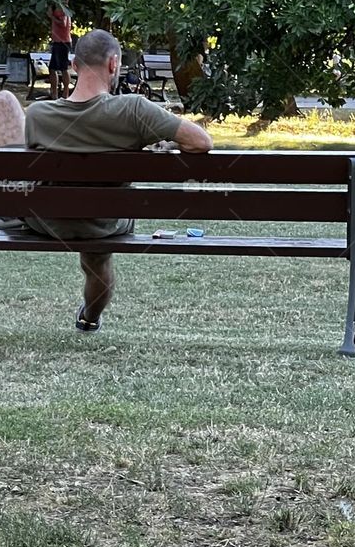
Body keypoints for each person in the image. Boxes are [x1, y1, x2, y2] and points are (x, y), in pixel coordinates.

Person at [23, 28, 213, 333]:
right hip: (104, 221)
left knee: (0, 104)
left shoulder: (37, 115)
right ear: (114, 64)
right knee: (98, 257)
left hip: (48, 221)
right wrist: (161, 145)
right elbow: (201, 142)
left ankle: (2, 212)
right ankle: (89, 318)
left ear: (73, 65)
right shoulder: (132, 110)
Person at [48, 0, 73, 99]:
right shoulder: (57, 8)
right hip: (56, 42)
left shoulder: (64, 10)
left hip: (63, 42)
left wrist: (52, 17)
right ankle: (54, 94)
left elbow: (63, 24)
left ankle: (65, 94)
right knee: (52, 68)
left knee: (63, 68)